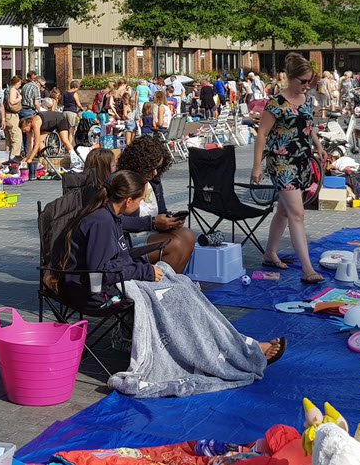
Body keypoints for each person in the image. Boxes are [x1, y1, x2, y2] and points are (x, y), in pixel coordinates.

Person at [51, 170, 286, 397]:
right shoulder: (102, 223)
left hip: (118, 280)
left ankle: (240, 347)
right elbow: (100, 272)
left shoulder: (108, 215)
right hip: (100, 293)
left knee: (187, 289)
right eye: (141, 200)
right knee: (182, 296)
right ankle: (232, 352)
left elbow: (123, 233)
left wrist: (154, 225)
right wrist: (144, 271)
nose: (141, 205)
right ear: (128, 201)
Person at [251, 52, 328, 284]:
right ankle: (308, 269)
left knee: (284, 211)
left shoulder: (307, 100)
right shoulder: (276, 103)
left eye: (309, 81)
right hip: (281, 162)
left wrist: (318, 146)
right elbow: (262, 134)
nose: (307, 86)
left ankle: (269, 253)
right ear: (290, 78)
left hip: (302, 160)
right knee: (297, 213)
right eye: (302, 81)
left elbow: (309, 126)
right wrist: (257, 166)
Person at [116, 136, 196, 273]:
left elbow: (162, 210)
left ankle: (175, 283)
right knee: (175, 245)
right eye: (151, 168)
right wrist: (152, 223)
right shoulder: (123, 182)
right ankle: (167, 286)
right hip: (128, 241)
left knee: (188, 235)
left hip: (152, 233)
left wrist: (170, 220)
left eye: (158, 168)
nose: (155, 173)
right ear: (140, 165)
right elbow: (114, 220)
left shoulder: (154, 182)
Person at [4, 75, 24, 160]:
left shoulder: (7, 89)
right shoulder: (12, 90)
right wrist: (19, 98)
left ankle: (7, 157)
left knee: (9, 138)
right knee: (16, 137)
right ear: (16, 82)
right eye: (19, 83)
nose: (20, 85)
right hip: (12, 115)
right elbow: (12, 102)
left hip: (7, 115)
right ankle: (14, 158)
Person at [62, 80, 83, 144]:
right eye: (78, 87)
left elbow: (63, 102)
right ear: (75, 86)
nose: (78, 89)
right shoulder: (75, 94)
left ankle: (64, 144)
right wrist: (82, 108)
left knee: (65, 130)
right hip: (72, 112)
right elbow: (78, 104)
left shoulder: (65, 93)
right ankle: (69, 146)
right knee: (71, 130)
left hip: (64, 112)